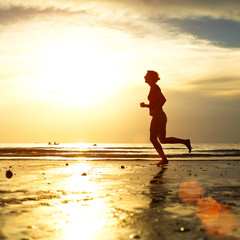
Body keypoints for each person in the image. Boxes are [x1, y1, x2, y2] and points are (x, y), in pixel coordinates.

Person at [140, 70, 191, 166]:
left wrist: (155, 110)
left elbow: (163, 99)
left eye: (146, 76)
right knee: (163, 139)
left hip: (158, 116)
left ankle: (164, 159)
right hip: (161, 116)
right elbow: (155, 103)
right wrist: (146, 106)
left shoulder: (155, 87)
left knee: (153, 139)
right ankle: (185, 141)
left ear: (150, 77)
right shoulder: (152, 88)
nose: (144, 77)